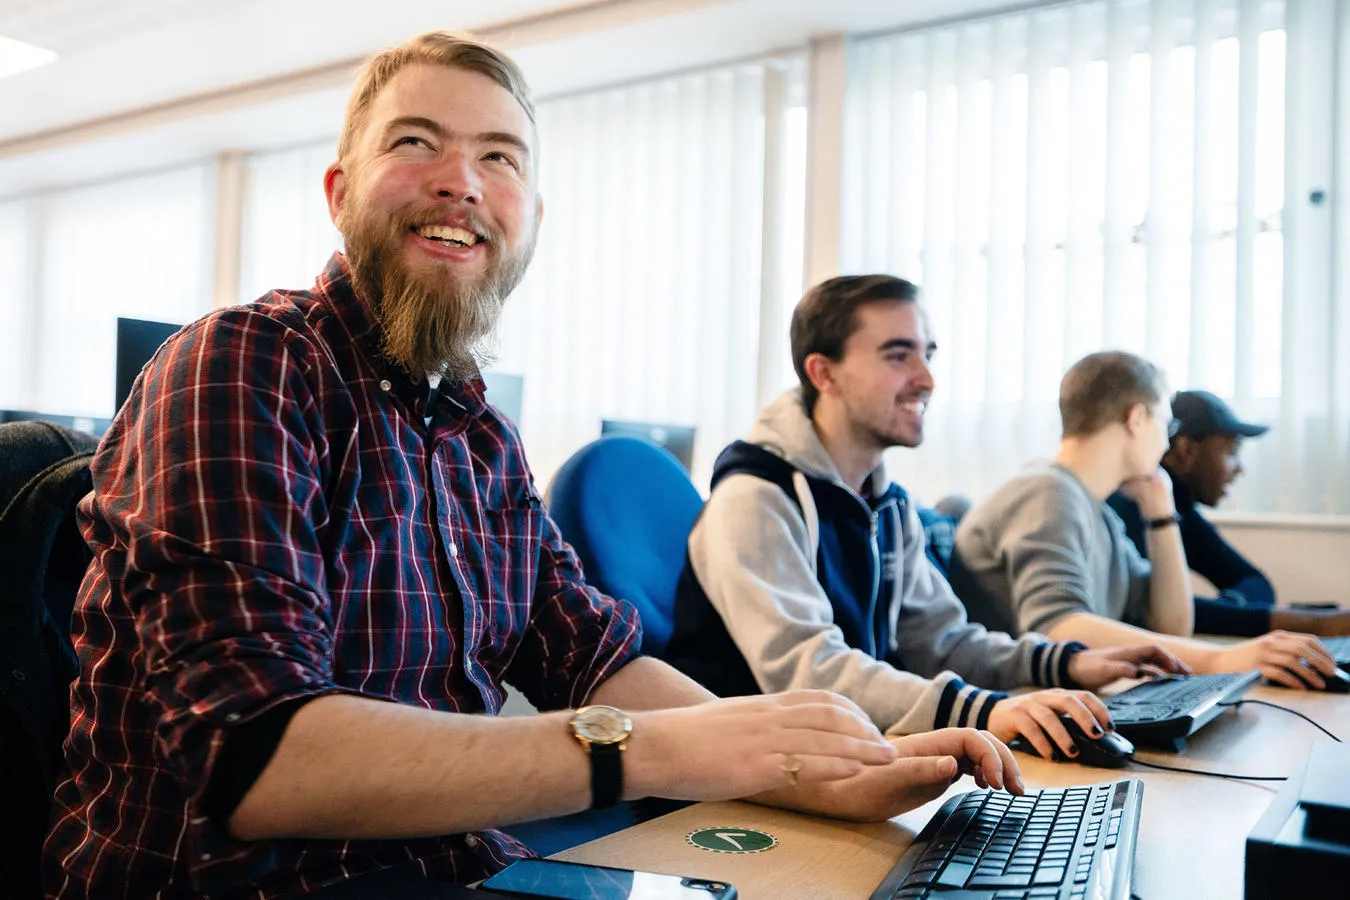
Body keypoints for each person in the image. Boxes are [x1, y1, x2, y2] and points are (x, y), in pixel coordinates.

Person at [42, 33, 1024, 900]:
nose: (460, 180)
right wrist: (662, 752)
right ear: (340, 195)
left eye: (497, 157)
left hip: (463, 869)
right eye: (415, 141)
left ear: (530, 219)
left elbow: (591, 658)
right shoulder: (245, 364)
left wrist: (808, 765)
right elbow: (254, 760)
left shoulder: (478, 435)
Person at [663, 275, 1187, 765]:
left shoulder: (886, 505)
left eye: (928, 354)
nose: (927, 378)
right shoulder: (756, 498)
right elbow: (810, 672)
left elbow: (942, 643)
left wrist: (1066, 663)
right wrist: (986, 711)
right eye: (898, 355)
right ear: (823, 373)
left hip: (837, 761)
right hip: (740, 789)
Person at [951, 351, 1338, 690]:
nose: (1168, 441)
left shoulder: (1097, 511)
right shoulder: (1046, 492)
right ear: (1137, 419)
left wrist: (1161, 513)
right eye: (1165, 425)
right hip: (1010, 709)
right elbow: (1059, 628)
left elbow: (1170, 626)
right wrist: (1223, 660)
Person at [1107, 389, 1350, 637]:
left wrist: (1228, 611)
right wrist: (1313, 624)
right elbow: (1147, 610)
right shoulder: (1129, 507)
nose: (1239, 469)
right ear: (1186, 450)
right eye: (1231, 452)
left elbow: (1255, 582)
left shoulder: (1181, 511)